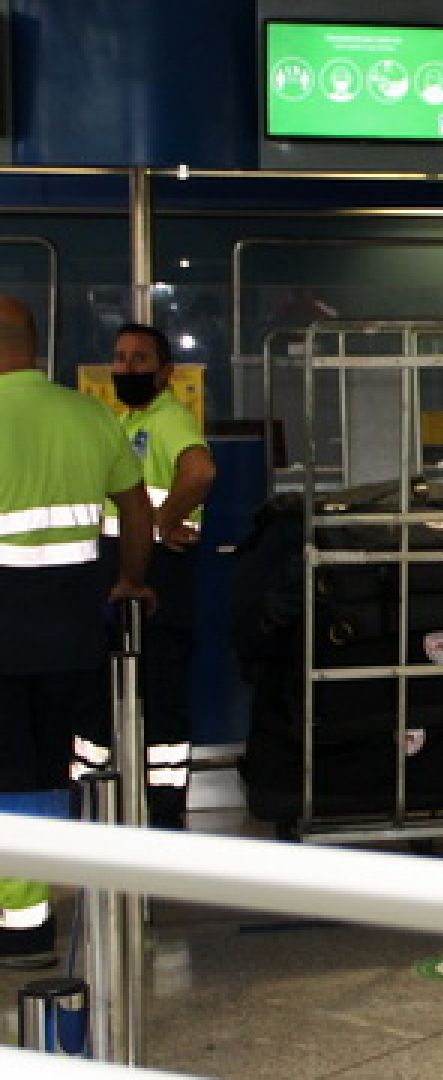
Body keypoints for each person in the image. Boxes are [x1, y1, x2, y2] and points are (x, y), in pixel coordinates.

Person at [0, 297, 154, 967]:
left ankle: (20, 919)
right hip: (68, 630)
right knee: (44, 766)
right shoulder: (89, 415)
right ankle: (30, 920)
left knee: (10, 769)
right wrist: (131, 579)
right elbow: (136, 511)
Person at [71, 322, 216, 830]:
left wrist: (160, 523)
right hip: (119, 570)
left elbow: (199, 471)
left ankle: (164, 818)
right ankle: (93, 804)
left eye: (139, 359)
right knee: (97, 697)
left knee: (160, 698)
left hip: (160, 574)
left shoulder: (167, 418)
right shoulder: (124, 422)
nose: (126, 367)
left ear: (164, 371)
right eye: (119, 357)